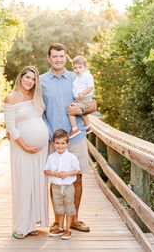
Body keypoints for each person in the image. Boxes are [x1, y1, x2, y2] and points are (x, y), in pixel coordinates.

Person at [40, 42, 96, 233]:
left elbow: (93, 106)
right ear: (49, 58)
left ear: (66, 58)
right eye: (55, 56)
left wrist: (79, 109)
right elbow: (36, 109)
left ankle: (73, 220)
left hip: (76, 135)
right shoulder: (41, 81)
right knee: (55, 179)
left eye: (61, 56)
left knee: (77, 178)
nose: (58, 59)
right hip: (53, 139)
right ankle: (57, 221)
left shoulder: (77, 77)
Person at [4, 66, 49, 239]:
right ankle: (20, 226)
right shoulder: (11, 97)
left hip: (40, 150)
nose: (30, 81)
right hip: (22, 148)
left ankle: (31, 224)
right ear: (20, 77)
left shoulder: (36, 97)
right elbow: (11, 127)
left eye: (33, 79)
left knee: (36, 184)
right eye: (27, 77)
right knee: (23, 184)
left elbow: (39, 118)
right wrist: (25, 146)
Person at [44, 129, 80, 240]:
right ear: (53, 143)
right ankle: (60, 227)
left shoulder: (72, 158)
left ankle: (67, 229)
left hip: (68, 186)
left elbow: (77, 171)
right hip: (56, 187)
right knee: (58, 208)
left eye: (63, 143)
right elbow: (46, 171)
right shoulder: (51, 157)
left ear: (67, 143)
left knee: (69, 207)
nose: (60, 146)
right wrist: (53, 173)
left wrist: (66, 174)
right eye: (57, 143)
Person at [68, 55, 94, 139]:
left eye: (80, 67)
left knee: (70, 111)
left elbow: (90, 87)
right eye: (75, 68)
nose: (77, 69)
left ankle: (74, 129)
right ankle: (88, 126)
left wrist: (83, 93)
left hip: (85, 99)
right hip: (79, 99)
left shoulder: (86, 75)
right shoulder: (77, 75)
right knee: (82, 113)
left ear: (85, 67)